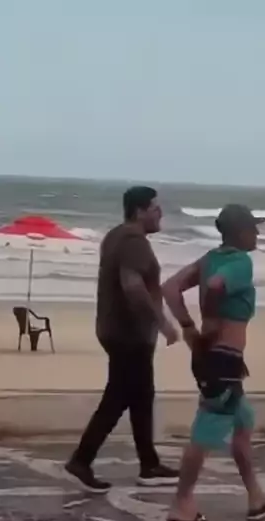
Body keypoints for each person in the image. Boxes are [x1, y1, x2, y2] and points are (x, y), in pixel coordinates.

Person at [162, 204, 265, 521]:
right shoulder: (241, 262)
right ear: (240, 232)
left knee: (243, 423)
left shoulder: (209, 259)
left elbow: (169, 287)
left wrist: (189, 327)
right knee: (206, 430)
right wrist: (212, 321)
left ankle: (256, 497)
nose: (257, 233)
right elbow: (216, 286)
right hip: (222, 360)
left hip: (217, 359)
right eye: (253, 228)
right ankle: (182, 505)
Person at [65, 186, 179, 492]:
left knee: (141, 396)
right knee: (119, 397)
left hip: (116, 330)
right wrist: (162, 322)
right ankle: (81, 460)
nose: (160, 213)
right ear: (140, 211)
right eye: (155, 208)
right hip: (130, 334)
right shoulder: (133, 241)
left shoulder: (115, 236)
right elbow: (132, 286)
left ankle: (149, 464)